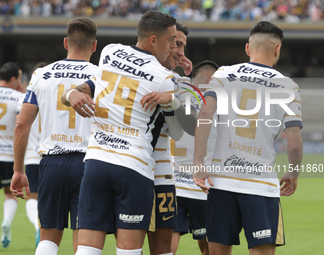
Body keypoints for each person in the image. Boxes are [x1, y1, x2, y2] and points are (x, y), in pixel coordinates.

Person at [61, 10, 181, 255]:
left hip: (96, 162)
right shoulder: (165, 79)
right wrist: (175, 96)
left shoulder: (109, 52)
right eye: (171, 41)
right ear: (154, 41)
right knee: (128, 251)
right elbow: (185, 127)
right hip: (133, 167)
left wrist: (70, 93)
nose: (173, 47)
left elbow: (91, 85)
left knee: (86, 249)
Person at [193, 21, 303, 255]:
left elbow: (205, 113)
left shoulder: (223, 73)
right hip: (261, 186)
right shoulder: (288, 86)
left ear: (247, 48)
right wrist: (293, 172)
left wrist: (198, 163)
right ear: (277, 49)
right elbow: (293, 140)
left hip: (221, 183)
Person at [10, 18, 98, 255]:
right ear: (94, 46)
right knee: (85, 237)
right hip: (89, 163)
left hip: (51, 163)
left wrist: (19, 171)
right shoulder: (101, 76)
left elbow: (21, 125)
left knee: (48, 238)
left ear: (65, 42)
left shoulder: (41, 74)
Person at [147, 22, 193, 255]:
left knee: (163, 246)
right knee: (128, 242)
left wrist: (177, 91)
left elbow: (187, 128)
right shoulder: (135, 72)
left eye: (183, 45)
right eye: (177, 44)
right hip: (127, 164)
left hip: (162, 171)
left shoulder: (181, 83)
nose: (181, 51)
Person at [172, 60, 219, 255]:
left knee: (170, 238)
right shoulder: (213, 102)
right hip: (203, 184)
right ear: (211, 80)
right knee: (208, 243)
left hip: (173, 181)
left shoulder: (177, 93)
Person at [0, 62, 24, 252]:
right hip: (10, 154)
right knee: (10, 194)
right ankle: (6, 222)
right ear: (14, 78)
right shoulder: (19, 97)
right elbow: (21, 124)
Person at [22, 62, 47, 248]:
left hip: (31, 157)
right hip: (51, 157)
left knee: (32, 198)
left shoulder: (24, 98)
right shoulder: (54, 96)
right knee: (51, 200)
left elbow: (20, 126)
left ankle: (36, 225)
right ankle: (45, 228)